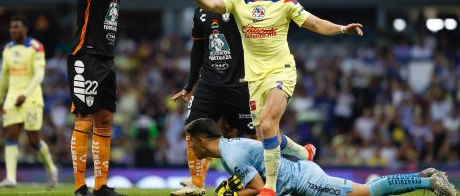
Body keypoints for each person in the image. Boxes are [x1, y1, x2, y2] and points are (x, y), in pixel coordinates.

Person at [182, 0, 363, 196]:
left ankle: (270, 187)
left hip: (281, 72)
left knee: (267, 123)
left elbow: (315, 24)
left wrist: (342, 29)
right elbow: (209, 4)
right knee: (268, 133)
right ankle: (303, 152)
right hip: (254, 79)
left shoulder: (284, 2)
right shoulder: (236, 1)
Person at [171, 0, 315, 196]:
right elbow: (198, 48)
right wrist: (189, 85)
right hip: (209, 82)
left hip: (242, 83)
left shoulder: (240, 3)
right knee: (193, 128)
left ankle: (271, 174)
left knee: (258, 135)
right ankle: (196, 185)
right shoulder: (201, 10)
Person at [69, 0, 190, 196]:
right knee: (84, 117)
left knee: (105, 120)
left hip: (106, 59)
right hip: (86, 56)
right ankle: (80, 186)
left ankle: (101, 186)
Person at [186, 118, 457, 196]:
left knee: (367, 192)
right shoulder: (231, 147)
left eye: (189, 141)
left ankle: (430, 183)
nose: (190, 147)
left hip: (304, 181)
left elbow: (257, 189)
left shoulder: (230, 156)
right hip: (295, 177)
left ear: (200, 140)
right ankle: (422, 177)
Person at [0, 16, 58, 189]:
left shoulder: (35, 47)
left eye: (16, 27)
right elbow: (4, 75)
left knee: (34, 140)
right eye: (11, 27)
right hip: (12, 100)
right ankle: (11, 178)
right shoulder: (7, 48)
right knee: (11, 136)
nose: (12, 30)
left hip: (31, 99)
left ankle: (51, 169)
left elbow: (39, 74)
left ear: (25, 29)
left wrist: (25, 94)